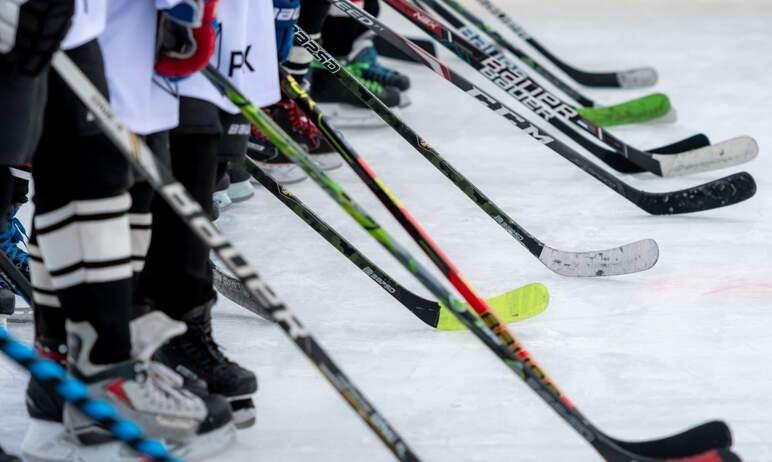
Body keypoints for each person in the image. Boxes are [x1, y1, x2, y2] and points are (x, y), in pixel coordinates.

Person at [21, 1, 236, 460]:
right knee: (89, 164)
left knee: (124, 165)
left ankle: (78, 369)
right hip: (75, 21)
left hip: (108, 18)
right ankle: (98, 367)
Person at [137, 0, 284, 430]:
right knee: (166, 151)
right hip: (155, 22)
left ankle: (182, 321)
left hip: (230, 18)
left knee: (210, 155)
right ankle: (156, 324)